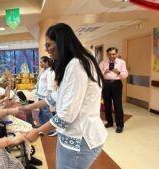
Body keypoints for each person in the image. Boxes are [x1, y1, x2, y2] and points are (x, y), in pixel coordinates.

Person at [20, 23, 107, 169]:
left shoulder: (76, 64)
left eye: (49, 45)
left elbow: (67, 114)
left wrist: (38, 131)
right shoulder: (79, 62)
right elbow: (56, 96)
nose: (47, 50)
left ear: (61, 42)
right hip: (78, 135)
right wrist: (29, 107)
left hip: (79, 136)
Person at [99, 47, 128, 133]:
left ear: (116, 53)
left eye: (113, 54)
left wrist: (118, 72)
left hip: (116, 84)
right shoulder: (103, 63)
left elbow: (125, 75)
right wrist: (105, 72)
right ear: (107, 54)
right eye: (110, 54)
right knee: (107, 104)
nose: (112, 56)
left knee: (117, 104)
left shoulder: (121, 62)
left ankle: (120, 125)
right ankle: (109, 122)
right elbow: (98, 73)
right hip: (106, 84)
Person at [28, 56, 56, 136]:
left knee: (46, 112)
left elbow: (50, 85)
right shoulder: (43, 71)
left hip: (45, 96)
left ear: (46, 62)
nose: (40, 64)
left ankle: (53, 129)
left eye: (41, 62)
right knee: (41, 112)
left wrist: (49, 96)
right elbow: (39, 83)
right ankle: (43, 127)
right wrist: (32, 87)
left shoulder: (50, 71)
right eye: (39, 62)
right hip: (40, 94)